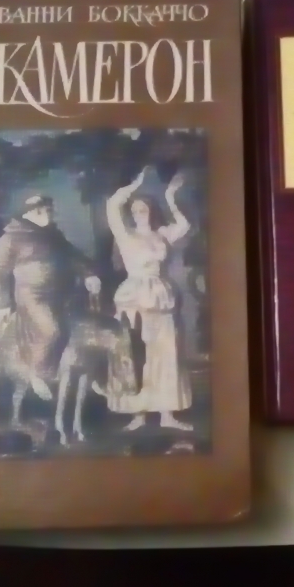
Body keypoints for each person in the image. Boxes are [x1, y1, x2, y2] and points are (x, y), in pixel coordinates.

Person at [0, 195, 101, 401]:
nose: (46, 214)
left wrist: (89, 274)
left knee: (81, 329)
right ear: (27, 214)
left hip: (61, 296)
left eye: (48, 210)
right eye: (40, 210)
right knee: (51, 329)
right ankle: (37, 373)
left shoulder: (54, 236)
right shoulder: (12, 237)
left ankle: (83, 377)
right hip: (31, 296)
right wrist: (1, 303)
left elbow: (75, 257)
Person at [104, 167, 193, 431]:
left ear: (151, 211)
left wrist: (170, 196)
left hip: (159, 295)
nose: (138, 213)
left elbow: (185, 225)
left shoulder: (162, 234)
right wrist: (133, 186)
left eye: (143, 209)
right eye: (134, 210)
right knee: (134, 354)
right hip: (133, 296)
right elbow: (112, 206)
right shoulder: (126, 235)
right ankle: (138, 414)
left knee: (165, 352)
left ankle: (167, 415)